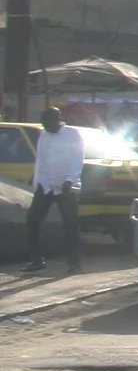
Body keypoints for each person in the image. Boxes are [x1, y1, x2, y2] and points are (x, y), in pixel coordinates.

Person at [24, 108, 84, 274]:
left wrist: (70, 180)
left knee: (70, 224)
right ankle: (36, 259)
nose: (46, 127)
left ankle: (74, 263)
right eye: (44, 124)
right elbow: (41, 160)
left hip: (66, 186)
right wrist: (36, 180)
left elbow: (77, 159)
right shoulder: (44, 135)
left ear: (58, 120)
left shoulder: (72, 134)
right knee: (32, 220)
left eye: (48, 124)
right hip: (46, 184)